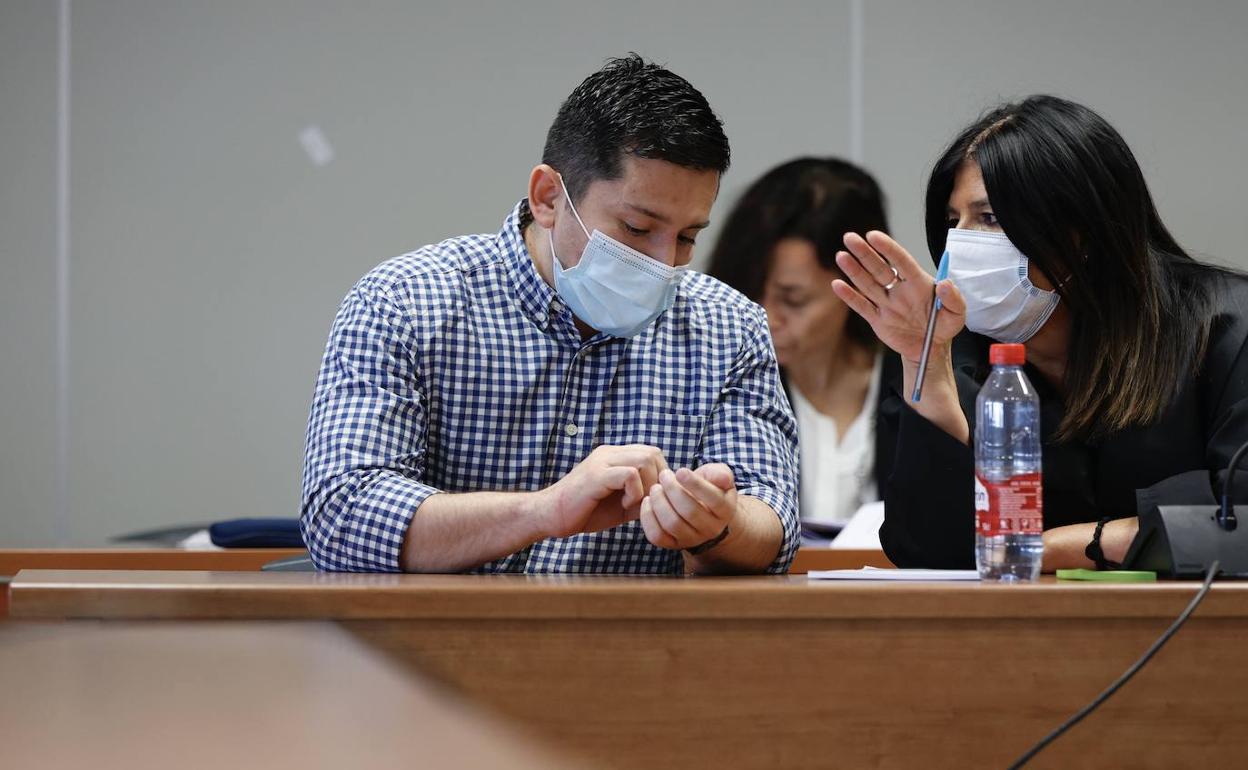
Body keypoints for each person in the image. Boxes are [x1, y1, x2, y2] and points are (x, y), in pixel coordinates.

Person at [300, 55, 799, 574]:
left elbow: (775, 526)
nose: (662, 262)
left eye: (688, 237)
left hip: (641, 651)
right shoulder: (404, 303)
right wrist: (544, 512)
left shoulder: (729, 328)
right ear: (548, 197)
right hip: (433, 649)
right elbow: (341, 516)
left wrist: (719, 524)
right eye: (635, 227)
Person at [831, 94, 1248, 570]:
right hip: (1023, 639)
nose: (960, 244)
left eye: (988, 219)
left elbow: (1238, 521)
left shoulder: (1225, 327)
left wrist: (1072, 544)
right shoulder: (954, 349)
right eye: (953, 222)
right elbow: (927, 552)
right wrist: (929, 374)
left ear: (1083, 233)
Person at [707, 158, 900, 539]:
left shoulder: (918, 383)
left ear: (858, 286)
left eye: (792, 300)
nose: (764, 317)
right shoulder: (723, 387)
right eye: (747, 294)